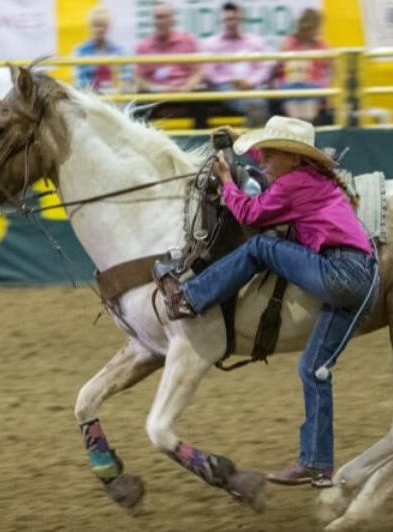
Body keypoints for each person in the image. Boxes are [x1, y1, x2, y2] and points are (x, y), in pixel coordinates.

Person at [155, 116, 379, 488]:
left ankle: (190, 296)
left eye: (271, 154)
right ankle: (317, 465)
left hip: (341, 274)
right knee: (313, 369)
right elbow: (264, 163)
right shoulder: (310, 176)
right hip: (363, 280)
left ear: (292, 158)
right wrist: (241, 141)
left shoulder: (293, 183)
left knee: (261, 246)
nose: (264, 161)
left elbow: (249, 213)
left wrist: (227, 180)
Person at [134, 2, 207, 127]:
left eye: (164, 17)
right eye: (157, 17)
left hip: (183, 91)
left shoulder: (187, 40)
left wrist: (186, 88)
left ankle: (200, 142)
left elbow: (197, 72)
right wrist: (157, 89)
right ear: (153, 20)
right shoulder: (143, 46)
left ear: (172, 19)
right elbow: (139, 77)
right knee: (138, 106)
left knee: (203, 100)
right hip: (156, 93)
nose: (161, 21)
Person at [202, 2, 272, 126]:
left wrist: (250, 81)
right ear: (221, 21)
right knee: (255, 105)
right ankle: (252, 141)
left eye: (235, 19)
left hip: (252, 86)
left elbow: (265, 67)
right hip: (226, 87)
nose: (231, 23)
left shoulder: (254, 41)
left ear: (241, 20)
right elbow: (209, 72)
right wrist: (231, 80)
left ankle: (248, 141)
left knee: (258, 103)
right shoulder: (212, 44)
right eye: (228, 19)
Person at [274, 9, 331, 123]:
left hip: (314, 86)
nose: (311, 31)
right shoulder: (288, 42)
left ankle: (305, 126)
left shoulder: (323, 46)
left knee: (311, 91)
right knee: (292, 90)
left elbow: (330, 73)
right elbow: (276, 67)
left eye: (314, 28)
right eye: (307, 27)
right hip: (289, 85)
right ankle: (298, 126)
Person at [73, 6, 132, 92]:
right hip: (91, 98)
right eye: (96, 25)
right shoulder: (81, 51)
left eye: (103, 25)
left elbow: (126, 79)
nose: (99, 29)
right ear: (90, 27)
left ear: (109, 27)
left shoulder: (120, 50)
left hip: (116, 98)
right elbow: (81, 82)